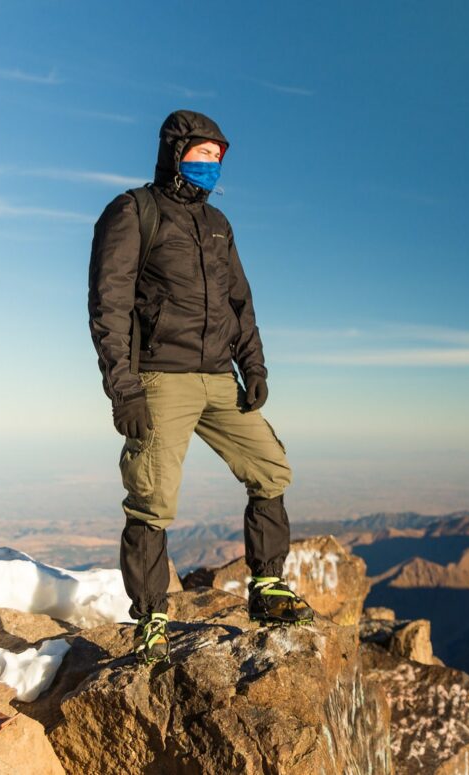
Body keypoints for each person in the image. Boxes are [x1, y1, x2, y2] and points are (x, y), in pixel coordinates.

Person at [88, 109, 314, 664]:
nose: (212, 165)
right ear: (175, 152)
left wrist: (253, 367)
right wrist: (125, 391)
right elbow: (109, 306)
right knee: (152, 497)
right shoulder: (132, 212)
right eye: (202, 154)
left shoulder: (218, 224)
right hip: (161, 378)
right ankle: (151, 619)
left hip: (219, 377)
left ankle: (266, 588)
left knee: (271, 468)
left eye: (218, 156)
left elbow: (241, 303)